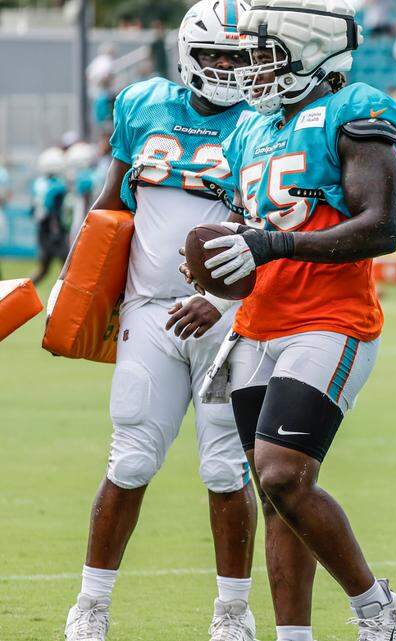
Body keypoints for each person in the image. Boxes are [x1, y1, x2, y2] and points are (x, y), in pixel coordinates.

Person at [190, 1, 396, 639]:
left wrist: (272, 246)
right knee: (276, 496)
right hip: (258, 325)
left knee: (282, 473)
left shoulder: (355, 108)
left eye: (263, 55)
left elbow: (381, 227)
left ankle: (378, 608)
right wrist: (221, 283)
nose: (250, 71)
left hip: (330, 319)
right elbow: (254, 232)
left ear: (310, 51)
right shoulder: (253, 131)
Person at [62, 2, 260, 640]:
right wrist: (82, 285)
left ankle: (232, 612)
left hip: (233, 318)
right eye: (216, 55)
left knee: (224, 469)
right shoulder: (142, 103)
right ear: (187, 54)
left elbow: (275, 224)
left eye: (239, 56)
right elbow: (111, 200)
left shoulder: (267, 122)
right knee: (130, 461)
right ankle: (90, 606)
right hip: (150, 310)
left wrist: (227, 301)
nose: (228, 68)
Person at [29, 147, 70, 285]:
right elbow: (53, 210)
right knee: (68, 270)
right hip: (54, 230)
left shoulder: (38, 183)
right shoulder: (57, 186)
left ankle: (21, 292)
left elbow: (32, 210)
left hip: (42, 230)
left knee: (43, 270)